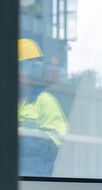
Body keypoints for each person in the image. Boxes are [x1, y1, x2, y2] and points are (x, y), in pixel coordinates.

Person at [18, 39, 69, 176]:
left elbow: (56, 139)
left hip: (34, 175)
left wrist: (24, 139)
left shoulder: (46, 101)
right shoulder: (11, 102)